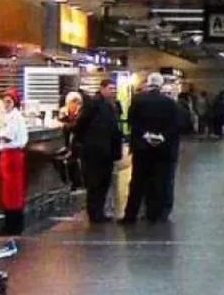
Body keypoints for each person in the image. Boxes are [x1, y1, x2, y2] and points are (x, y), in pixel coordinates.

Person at [125, 73, 185, 224]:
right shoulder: (170, 103)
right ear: (161, 84)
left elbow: (131, 121)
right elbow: (177, 125)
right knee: (161, 181)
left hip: (142, 148)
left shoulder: (137, 100)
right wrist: (162, 137)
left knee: (138, 181)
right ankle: (156, 214)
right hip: (164, 150)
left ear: (148, 83)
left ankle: (131, 214)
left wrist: (146, 135)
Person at [74, 79, 124, 223]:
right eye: (110, 88)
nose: (113, 91)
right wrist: (85, 141)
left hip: (107, 151)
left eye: (114, 88)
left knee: (104, 182)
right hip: (95, 151)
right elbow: (81, 124)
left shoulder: (112, 105)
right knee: (95, 182)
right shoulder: (94, 104)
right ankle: (94, 213)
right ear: (102, 88)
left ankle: (100, 212)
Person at [0, 90, 29, 235]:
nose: (6, 104)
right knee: (10, 192)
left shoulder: (14, 117)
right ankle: (12, 224)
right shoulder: (10, 116)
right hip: (9, 156)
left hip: (12, 156)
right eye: (5, 101)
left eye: (9, 101)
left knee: (12, 192)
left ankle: (13, 226)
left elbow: (8, 136)